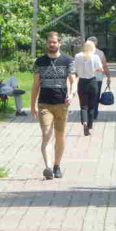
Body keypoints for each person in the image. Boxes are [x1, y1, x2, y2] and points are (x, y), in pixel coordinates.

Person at [31, 31, 76, 180]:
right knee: (46, 134)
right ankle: (48, 167)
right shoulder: (40, 62)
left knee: (60, 136)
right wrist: (33, 105)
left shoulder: (68, 60)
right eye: (50, 42)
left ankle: (57, 165)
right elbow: (36, 85)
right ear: (46, 43)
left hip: (62, 104)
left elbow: (73, 80)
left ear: (59, 43)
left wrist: (71, 94)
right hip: (45, 104)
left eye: (54, 42)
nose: (52, 44)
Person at [74, 40, 104, 136]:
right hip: (92, 82)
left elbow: (74, 69)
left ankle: (85, 123)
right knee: (92, 106)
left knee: (83, 106)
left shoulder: (77, 56)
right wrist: (93, 69)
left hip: (82, 82)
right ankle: (90, 125)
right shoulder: (95, 57)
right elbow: (101, 69)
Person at [87, 36, 111, 121]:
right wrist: (108, 77)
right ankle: (94, 113)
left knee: (87, 96)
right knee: (96, 97)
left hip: (86, 79)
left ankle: (87, 113)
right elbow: (104, 66)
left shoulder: (82, 53)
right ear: (96, 43)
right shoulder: (100, 53)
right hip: (98, 79)